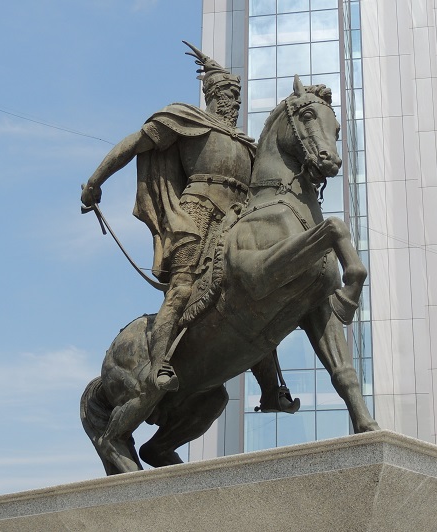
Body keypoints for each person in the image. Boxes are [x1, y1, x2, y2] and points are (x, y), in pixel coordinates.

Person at [81, 42, 298, 413]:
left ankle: (270, 389)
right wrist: (95, 181)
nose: (233, 103)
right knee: (182, 287)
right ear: (211, 95)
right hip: (195, 214)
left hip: (238, 219)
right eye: (227, 95)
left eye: (237, 98)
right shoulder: (188, 121)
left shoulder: (247, 145)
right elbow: (134, 144)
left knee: (257, 291)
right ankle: (157, 363)